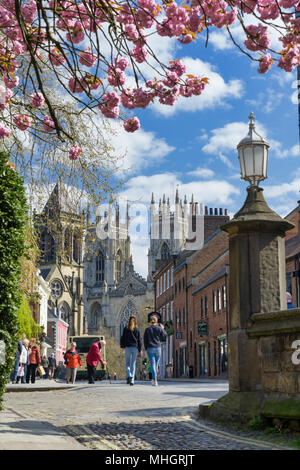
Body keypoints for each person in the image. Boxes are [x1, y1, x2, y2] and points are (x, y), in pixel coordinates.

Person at [144, 314, 167, 386]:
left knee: (153, 364)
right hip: (158, 348)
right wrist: (162, 328)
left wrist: (146, 348)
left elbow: (145, 340)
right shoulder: (159, 328)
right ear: (156, 321)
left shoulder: (147, 329)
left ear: (150, 321)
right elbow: (165, 335)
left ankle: (155, 380)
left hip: (150, 348)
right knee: (156, 365)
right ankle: (155, 379)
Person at [120, 315, 142, 386]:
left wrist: (123, 347)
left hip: (127, 348)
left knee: (127, 363)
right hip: (135, 348)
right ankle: (132, 380)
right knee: (133, 364)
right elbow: (139, 340)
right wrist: (140, 349)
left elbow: (122, 338)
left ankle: (129, 375)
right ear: (135, 321)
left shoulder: (125, 329)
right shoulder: (137, 329)